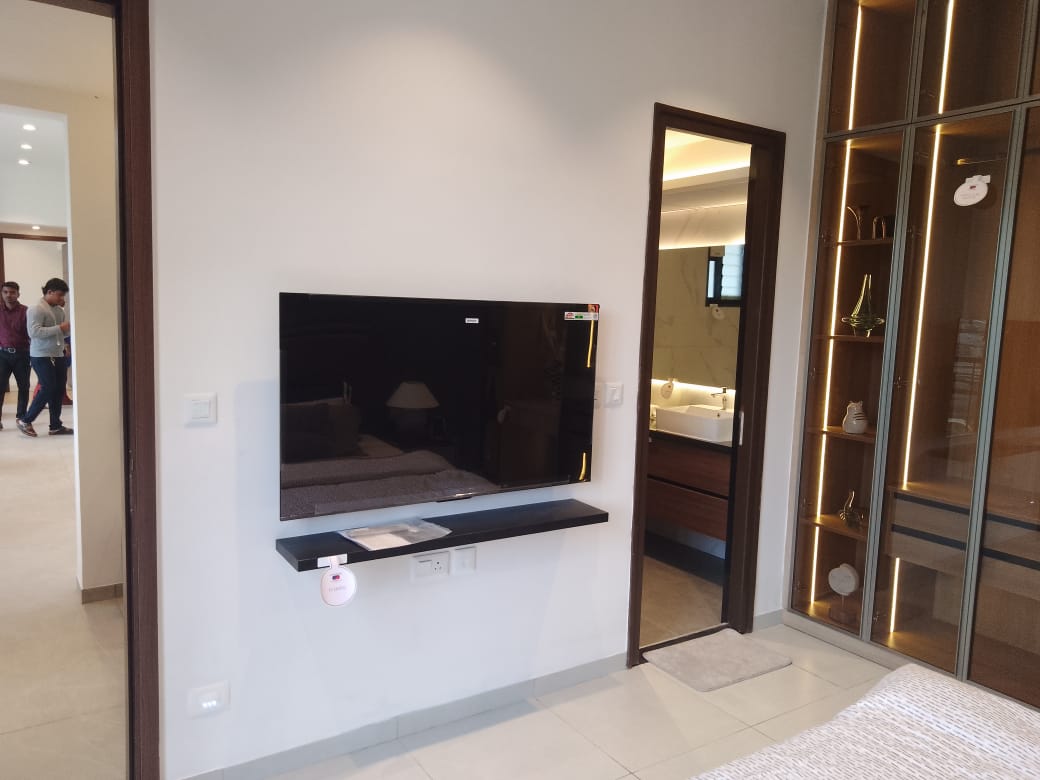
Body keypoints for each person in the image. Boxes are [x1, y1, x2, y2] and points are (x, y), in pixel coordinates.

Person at [18, 278, 73, 437]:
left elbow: (62, 332)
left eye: (63, 296)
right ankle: (25, 420)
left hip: (58, 354)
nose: (62, 299)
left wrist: (66, 343)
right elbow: (34, 333)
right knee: (48, 387)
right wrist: (60, 328)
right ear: (49, 292)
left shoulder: (59, 311)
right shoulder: (36, 309)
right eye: (59, 295)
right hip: (41, 355)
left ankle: (55, 426)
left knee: (59, 389)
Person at [0, 281, 31, 428]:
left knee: (24, 387)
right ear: (2, 294)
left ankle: (21, 417)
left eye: (12, 292)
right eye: (5, 292)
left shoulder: (26, 311)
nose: (9, 295)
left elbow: (32, 333)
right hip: (2, 355)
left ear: (18, 294)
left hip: (22, 354)